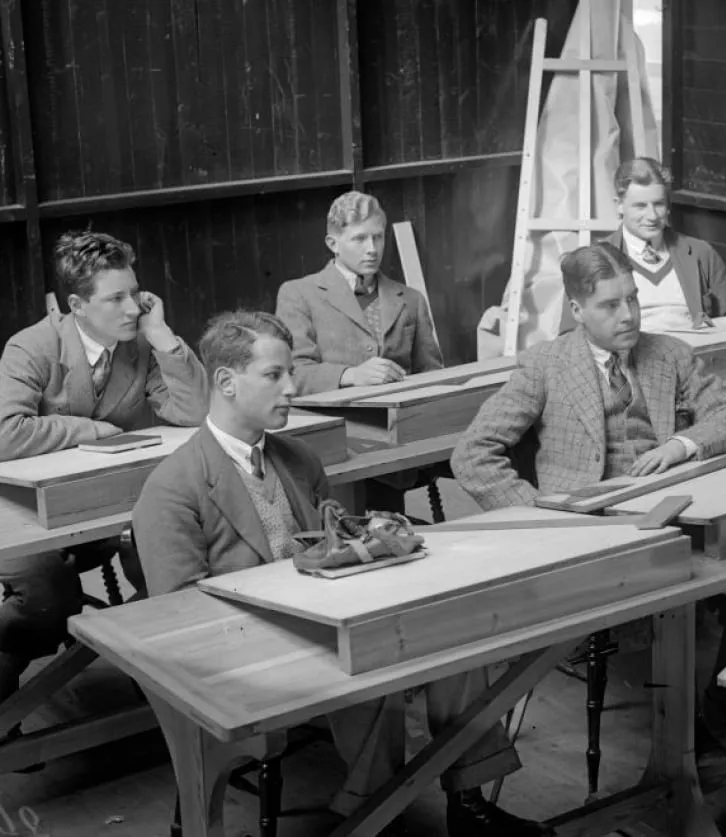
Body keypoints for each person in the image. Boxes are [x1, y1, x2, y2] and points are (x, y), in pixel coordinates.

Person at [133, 311, 551, 837]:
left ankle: (467, 804)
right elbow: (178, 621)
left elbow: (335, 548)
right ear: (226, 381)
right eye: (274, 375)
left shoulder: (298, 459)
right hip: (249, 652)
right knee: (370, 673)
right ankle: (377, 815)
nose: (291, 388)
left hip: (327, 620)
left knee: (453, 638)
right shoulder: (173, 488)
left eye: (290, 373)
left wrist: (376, 548)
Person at [451, 241, 726, 750]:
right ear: (577, 310)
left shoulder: (670, 354)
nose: (628, 315)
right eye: (610, 305)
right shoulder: (546, 365)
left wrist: (682, 444)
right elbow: (472, 454)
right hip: (590, 531)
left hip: (674, 511)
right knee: (679, 594)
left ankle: (717, 708)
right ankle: (680, 735)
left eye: (633, 299)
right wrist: (539, 516)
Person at [0, 231, 208, 737]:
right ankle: (9, 706)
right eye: (116, 298)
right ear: (77, 306)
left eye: (135, 293)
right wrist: (89, 429)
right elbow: (5, 432)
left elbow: (194, 412)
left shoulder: (140, 343)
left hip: (105, 508)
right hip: (22, 516)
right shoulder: (32, 347)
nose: (133, 308)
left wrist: (163, 337)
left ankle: (164, 688)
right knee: (47, 600)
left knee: (175, 564)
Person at [276, 190, 443, 395]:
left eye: (378, 237)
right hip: (336, 414)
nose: (372, 249)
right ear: (333, 244)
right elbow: (292, 373)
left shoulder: (412, 299)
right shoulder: (298, 295)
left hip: (402, 412)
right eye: (359, 239)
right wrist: (350, 375)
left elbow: (432, 374)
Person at [604, 158, 726, 333]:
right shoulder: (599, 259)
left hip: (693, 347)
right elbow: (579, 333)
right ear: (619, 206)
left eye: (658, 204)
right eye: (640, 206)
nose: (652, 216)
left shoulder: (701, 253)